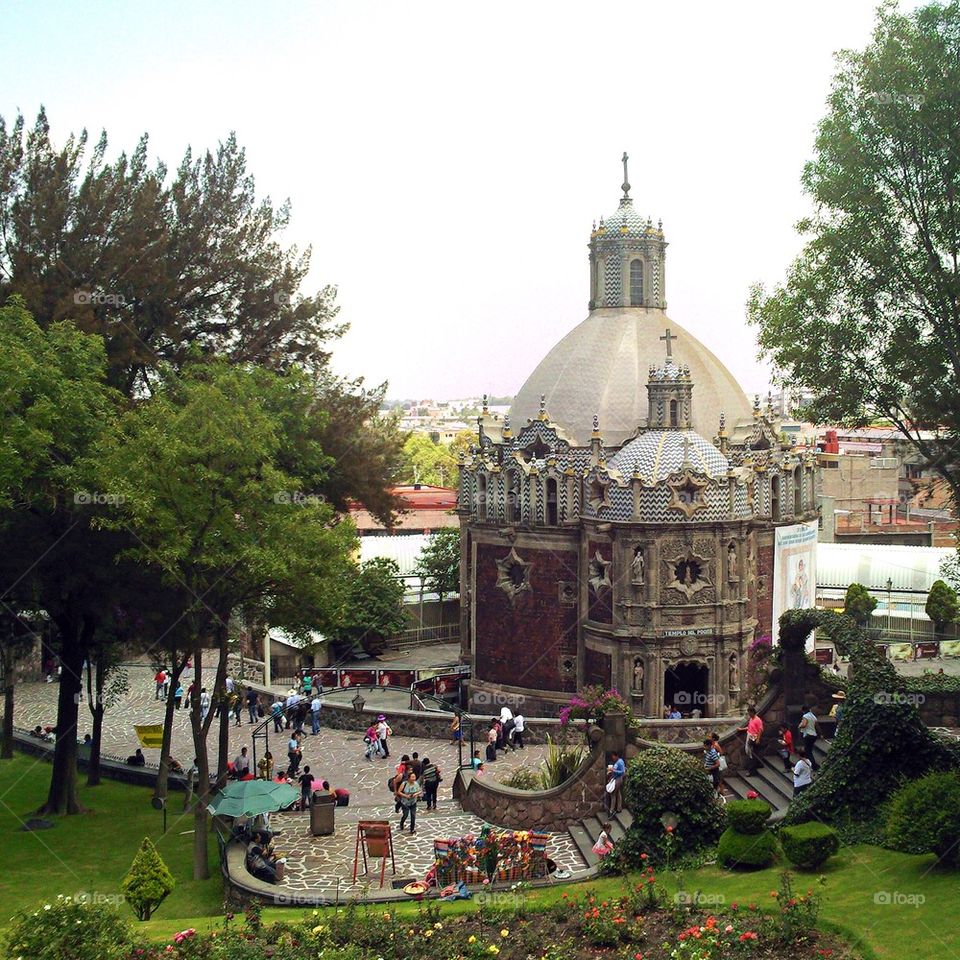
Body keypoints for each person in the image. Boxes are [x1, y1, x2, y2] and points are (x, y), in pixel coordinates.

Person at [738, 706, 764, 775]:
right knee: (749, 751)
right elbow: (750, 727)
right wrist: (742, 729)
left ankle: (752, 770)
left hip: (754, 737)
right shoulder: (751, 719)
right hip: (750, 736)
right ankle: (757, 764)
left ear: (752, 712)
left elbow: (760, 730)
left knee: (752, 753)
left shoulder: (758, 720)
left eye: (749, 713)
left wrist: (758, 739)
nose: (749, 714)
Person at [396, 769, 422, 834]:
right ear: (409, 778)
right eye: (412, 777)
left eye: (414, 777)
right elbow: (399, 792)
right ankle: (401, 823)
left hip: (413, 802)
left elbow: (420, 791)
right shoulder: (404, 783)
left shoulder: (416, 783)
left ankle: (412, 829)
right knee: (406, 815)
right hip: (405, 803)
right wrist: (405, 796)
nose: (414, 778)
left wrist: (415, 794)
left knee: (413, 815)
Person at [799, 704, 819, 771]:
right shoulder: (813, 716)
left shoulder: (805, 716)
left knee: (808, 751)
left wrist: (800, 726)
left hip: (808, 735)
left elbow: (804, 724)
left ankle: (813, 765)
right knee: (809, 750)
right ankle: (809, 764)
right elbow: (817, 726)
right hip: (814, 735)